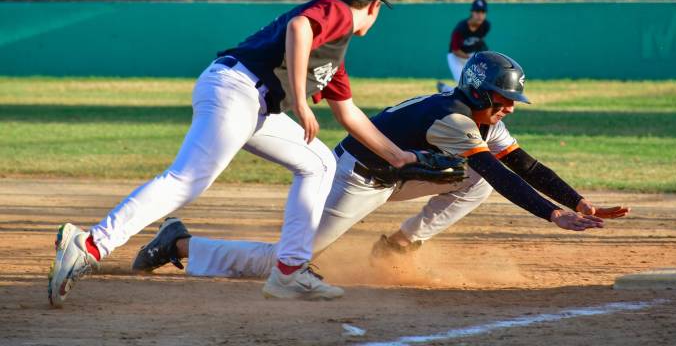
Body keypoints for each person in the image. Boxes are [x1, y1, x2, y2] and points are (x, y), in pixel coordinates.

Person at [47, 0, 420, 307]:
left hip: (249, 101)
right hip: (237, 91)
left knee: (319, 163)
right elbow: (299, 27)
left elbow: (348, 113)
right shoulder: (337, 12)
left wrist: (400, 157)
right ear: (374, 6)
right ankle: (91, 244)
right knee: (187, 180)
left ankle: (289, 272)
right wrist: (301, 103)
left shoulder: (333, 56)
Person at [130, 52, 630, 282]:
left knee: (475, 177)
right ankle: (179, 243)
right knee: (286, 264)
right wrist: (551, 214)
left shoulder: (480, 119)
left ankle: (400, 244)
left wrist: (578, 201)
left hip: (398, 175)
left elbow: (521, 164)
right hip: (355, 178)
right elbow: (504, 177)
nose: (510, 108)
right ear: (480, 94)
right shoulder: (456, 120)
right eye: (504, 99)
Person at [437, 0, 490, 93]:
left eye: (483, 12)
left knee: (478, 86)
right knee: (464, 88)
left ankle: (445, 89)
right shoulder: (461, 28)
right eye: (477, 12)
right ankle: (446, 90)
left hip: (471, 56)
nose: (480, 15)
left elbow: (479, 42)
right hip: (456, 57)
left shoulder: (485, 25)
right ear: (472, 12)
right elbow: (455, 50)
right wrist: (471, 58)